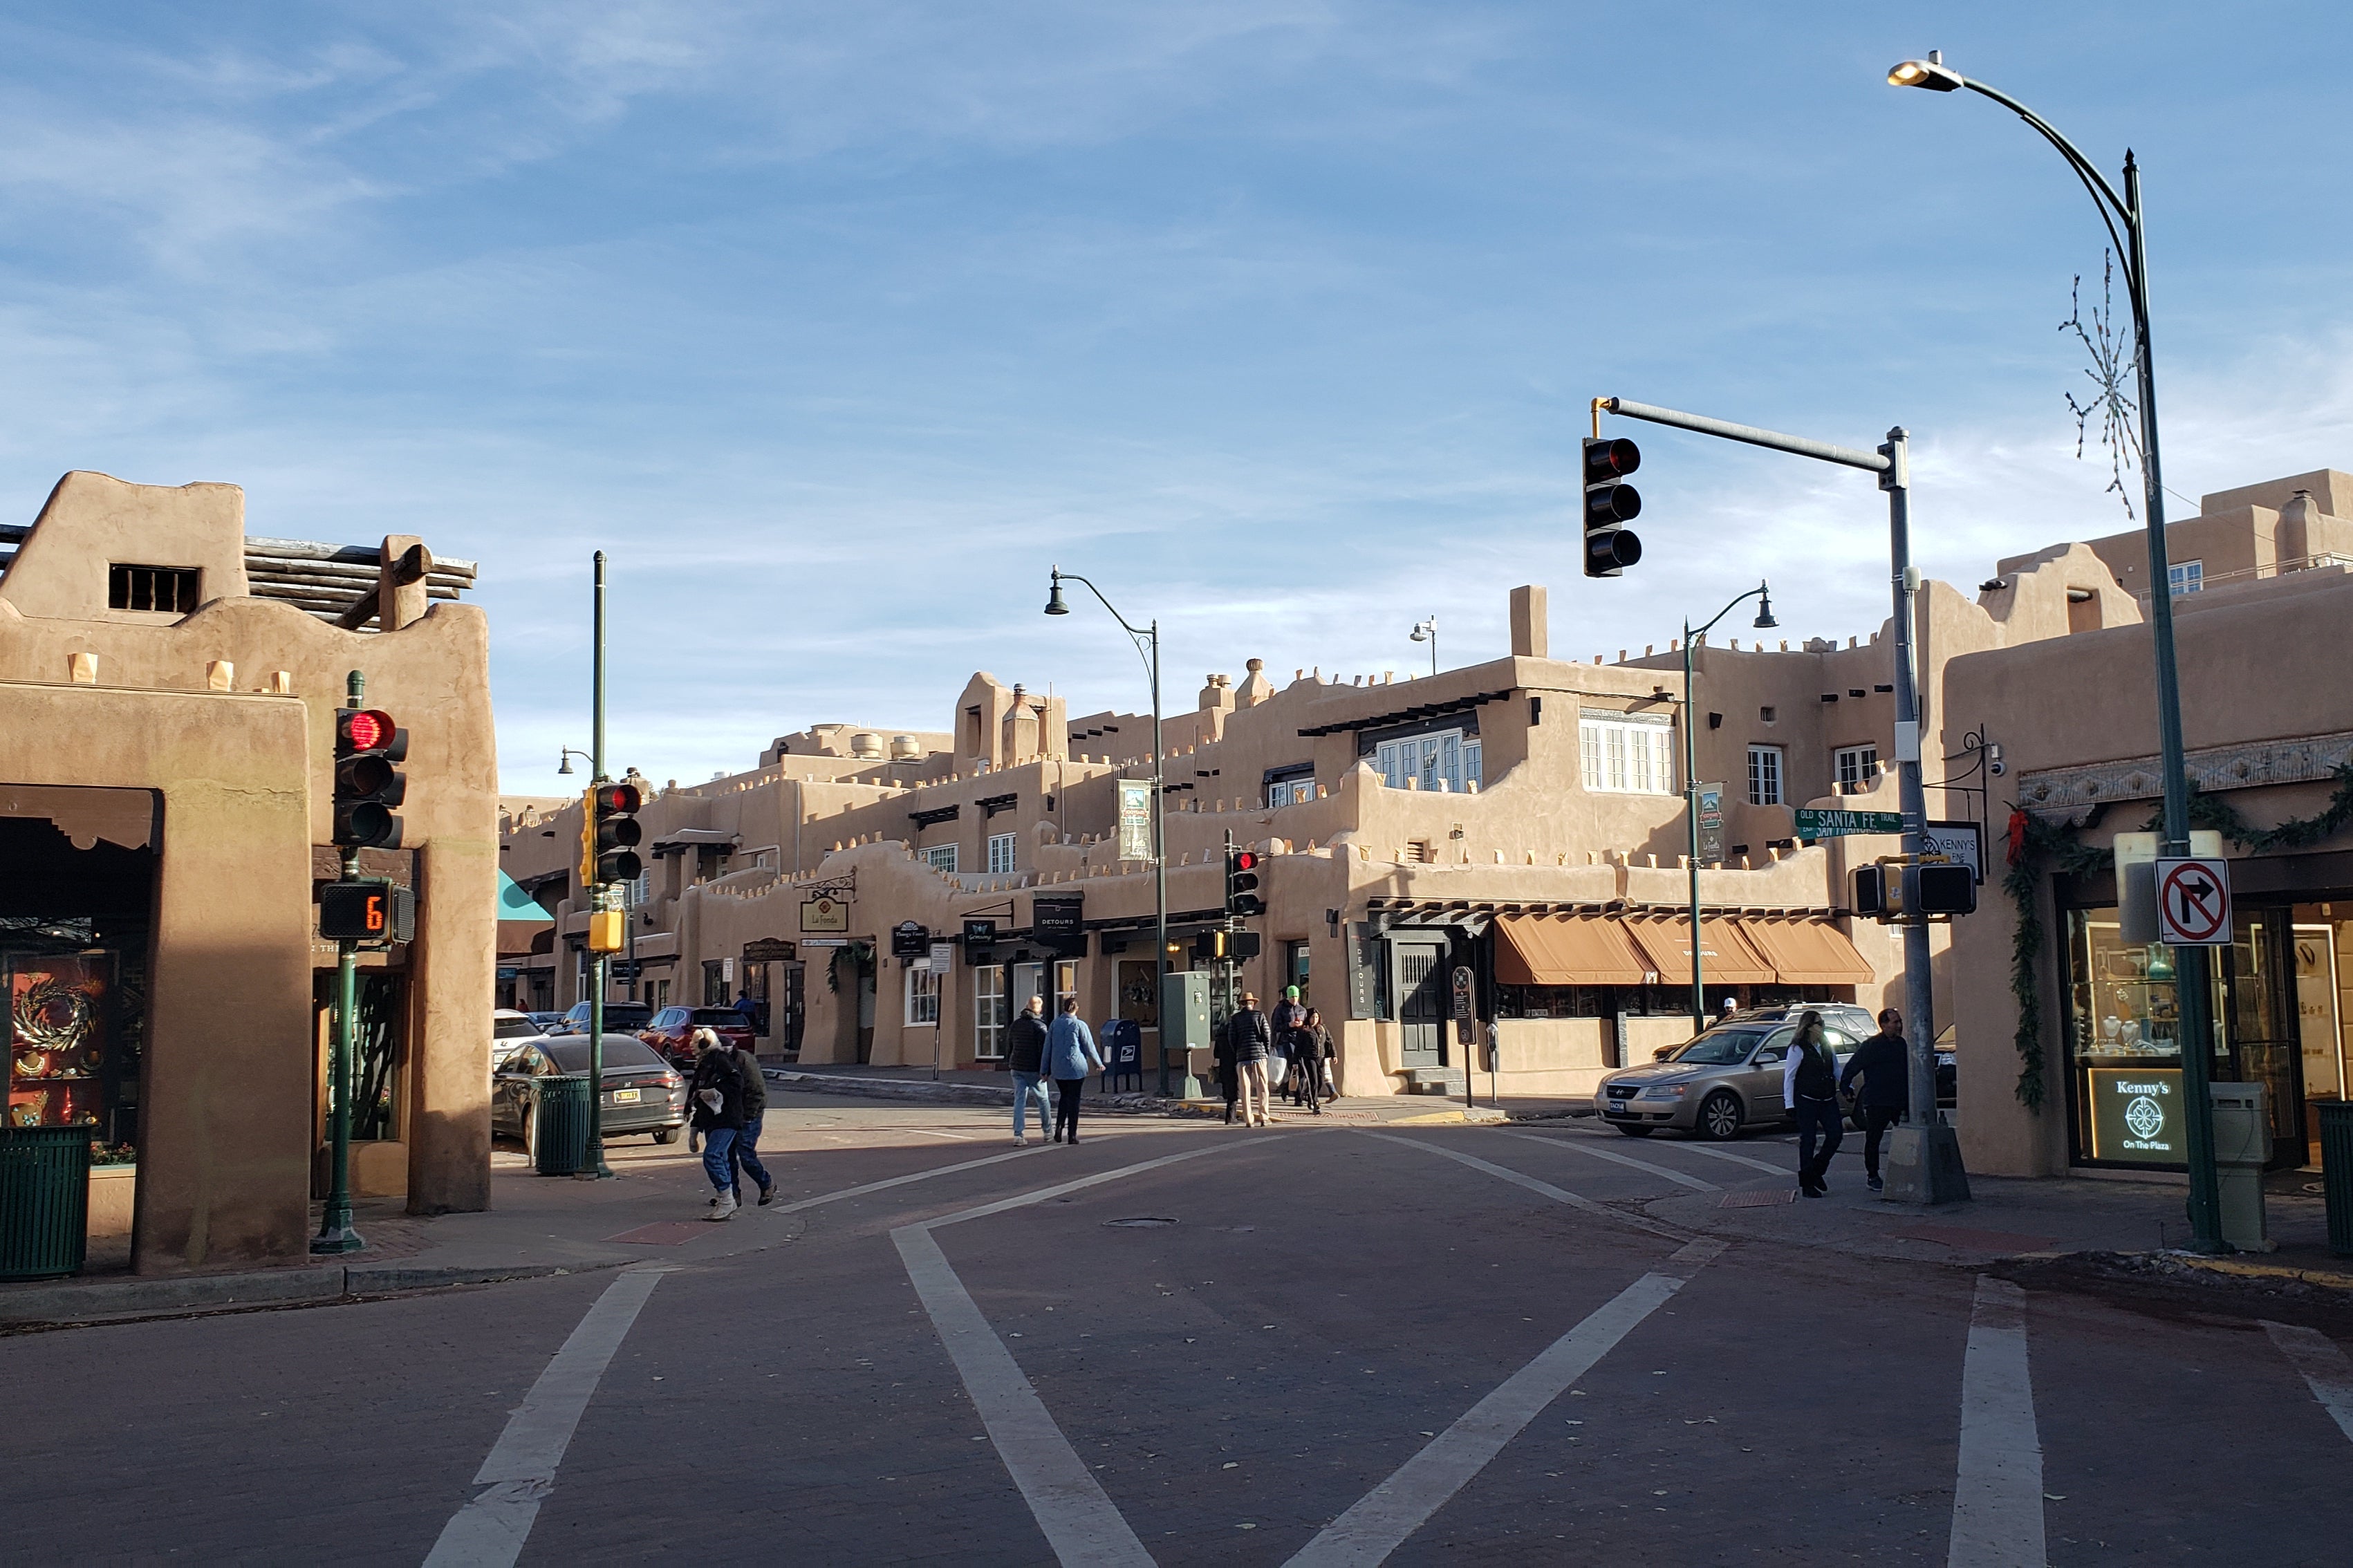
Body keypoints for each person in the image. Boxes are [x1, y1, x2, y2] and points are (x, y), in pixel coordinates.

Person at [1839, 1008, 1909, 1193]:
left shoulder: (1902, 1045)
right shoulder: (1872, 1046)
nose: (1899, 1026)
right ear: (1884, 1025)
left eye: (1900, 1021)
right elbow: (1853, 1066)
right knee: (1874, 1139)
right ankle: (1873, 1175)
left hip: (1900, 1100)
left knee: (1908, 1136)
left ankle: (1908, 1171)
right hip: (1878, 1100)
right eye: (1895, 1023)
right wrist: (1846, 1088)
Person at [1780, 1009, 1844, 1197]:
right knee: (1808, 1140)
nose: (1823, 1027)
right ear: (1809, 1027)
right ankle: (1807, 1183)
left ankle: (1817, 1169)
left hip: (1827, 1098)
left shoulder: (1826, 1045)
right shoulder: (1797, 1048)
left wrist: (1846, 1086)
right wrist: (1789, 1104)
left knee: (1836, 1135)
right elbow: (1789, 1077)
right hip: (1806, 1100)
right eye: (1819, 1023)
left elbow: (1835, 1068)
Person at [689, 1028, 749, 1219]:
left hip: (726, 1117)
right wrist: (694, 1130)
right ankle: (726, 1197)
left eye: (695, 1041)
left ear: (705, 1044)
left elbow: (736, 1082)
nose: (691, 1045)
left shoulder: (719, 1059)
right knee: (720, 1157)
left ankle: (727, 1199)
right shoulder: (704, 1063)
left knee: (713, 1156)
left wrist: (714, 1091)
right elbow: (698, 1095)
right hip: (711, 1118)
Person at [1045, 998, 1106, 1144]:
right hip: (1076, 1067)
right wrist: (1098, 1063)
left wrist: (1044, 1069)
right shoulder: (1079, 1025)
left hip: (1058, 1068)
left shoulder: (1054, 1024)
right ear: (1076, 1009)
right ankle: (1072, 1135)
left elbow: (1048, 1048)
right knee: (1074, 1100)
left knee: (1064, 1097)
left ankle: (1058, 1129)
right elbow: (1089, 1046)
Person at [729, 1032, 776, 1206]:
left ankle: (766, 1183)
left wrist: (749, 1116)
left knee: (746, 1154)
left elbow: (757, 1092)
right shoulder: (717, 1061)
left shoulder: (744, 1062)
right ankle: (731, 1195)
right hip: (731, 1114)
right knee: (727, 1154)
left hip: (750, 1114)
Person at [1007, 994, 1052, 1146]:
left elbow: (1010, 1044)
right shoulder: (1039, 1026)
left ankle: (1018, 1135)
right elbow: (1044, 1051)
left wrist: (1011, 1061)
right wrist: (1045, 1070)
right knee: (1043, 1100)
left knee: (1019, 1100)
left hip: (1017, 1066)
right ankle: (1047, 1132)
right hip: (1034, 1069)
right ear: (1038, 1008)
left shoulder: (1016, 1024)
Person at [1226, 991, 1273, 1128]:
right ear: (1252, 1003)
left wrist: (1238, 1052)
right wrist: (1266, 1051)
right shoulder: (1259, 1016)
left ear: (1242, 1005)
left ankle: (1248, 1119)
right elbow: (1267, 1035)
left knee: (1245, 1089)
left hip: (1242, 1057)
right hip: (1259, 1055)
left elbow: (1232, 1038)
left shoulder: (1235, 1019)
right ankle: (1264, 1117)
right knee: (1262, 1087)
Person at [1270, 986, 1309, 1105]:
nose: (1295, 999)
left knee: (1303, 1069)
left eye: (1296, 996)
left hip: (1300, 1041)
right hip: (1286, 1041)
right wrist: (1289, 1025)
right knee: (1294, 1068)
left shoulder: (1302, 1010)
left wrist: (1301, 1025)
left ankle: (1286, 1088)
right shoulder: (1280, 1009)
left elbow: (1308, 1026)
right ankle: (1298, 1097)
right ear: (1288, 997)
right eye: (1292, 997)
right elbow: (1276, 1027)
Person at [1294, 1007, 1334, 1112]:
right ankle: (1315, 1103)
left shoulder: (1322, 1028)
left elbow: (1329, 1041)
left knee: (1320, 1081)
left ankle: (1309, 1096)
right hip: (1308, 1057)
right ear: (1308, 1018)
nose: (1315, 1019)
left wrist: (1333, 1055)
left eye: (1317, 1017)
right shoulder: (1304, 1029)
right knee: (1313, 1081)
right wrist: (1295, 1061)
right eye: (1313, 1017)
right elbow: (1298, 1046)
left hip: (1320, 1057)